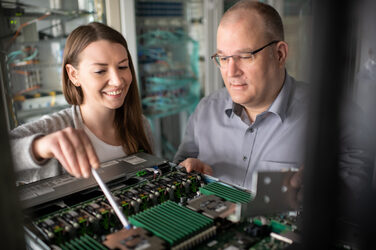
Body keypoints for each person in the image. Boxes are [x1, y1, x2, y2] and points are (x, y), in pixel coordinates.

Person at [174, 0, 372, 193]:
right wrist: (190, 172)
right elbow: (176, 173)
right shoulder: (206, 110)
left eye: (244, 56)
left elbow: (352, 200)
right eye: (224, 58)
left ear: (279, 54)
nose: (231, 72)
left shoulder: (333, 113)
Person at [10, 22, 153, 184]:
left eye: (122, 66)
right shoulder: (52, 129)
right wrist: (39, 147)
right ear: (73, 75)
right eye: (100, 71)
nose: (117, 81)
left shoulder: (140, 123)